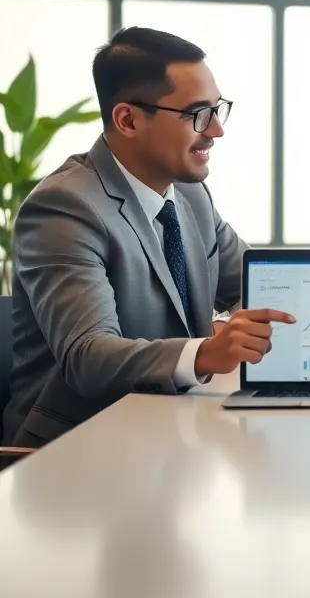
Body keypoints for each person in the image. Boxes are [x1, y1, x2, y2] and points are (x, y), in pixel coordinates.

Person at [3, 27, 294, 449]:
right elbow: (88, 357)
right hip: (75, 450)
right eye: (197, 114)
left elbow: (262, 287)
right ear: (128, 120)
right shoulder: (64, 206)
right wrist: (207, 352)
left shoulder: (191, 195)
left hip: (174, 433)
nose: (216, 130)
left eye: (218, 109)